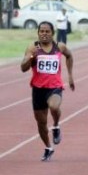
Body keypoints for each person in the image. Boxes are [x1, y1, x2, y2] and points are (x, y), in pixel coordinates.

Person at [21, 21, 75, 161]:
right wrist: (30, 58)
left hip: (54, 87)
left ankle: (56, 125)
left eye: (47, 31)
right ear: (38, 33)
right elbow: (23, 68)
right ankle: (48, 147)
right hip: (38, 89)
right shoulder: (33, 47)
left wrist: (70, 76)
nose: (44, 34)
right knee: (41, 123)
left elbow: (69, 56)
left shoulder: (59, 47)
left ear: (52, 33)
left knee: (54, 106)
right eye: (42, 31)